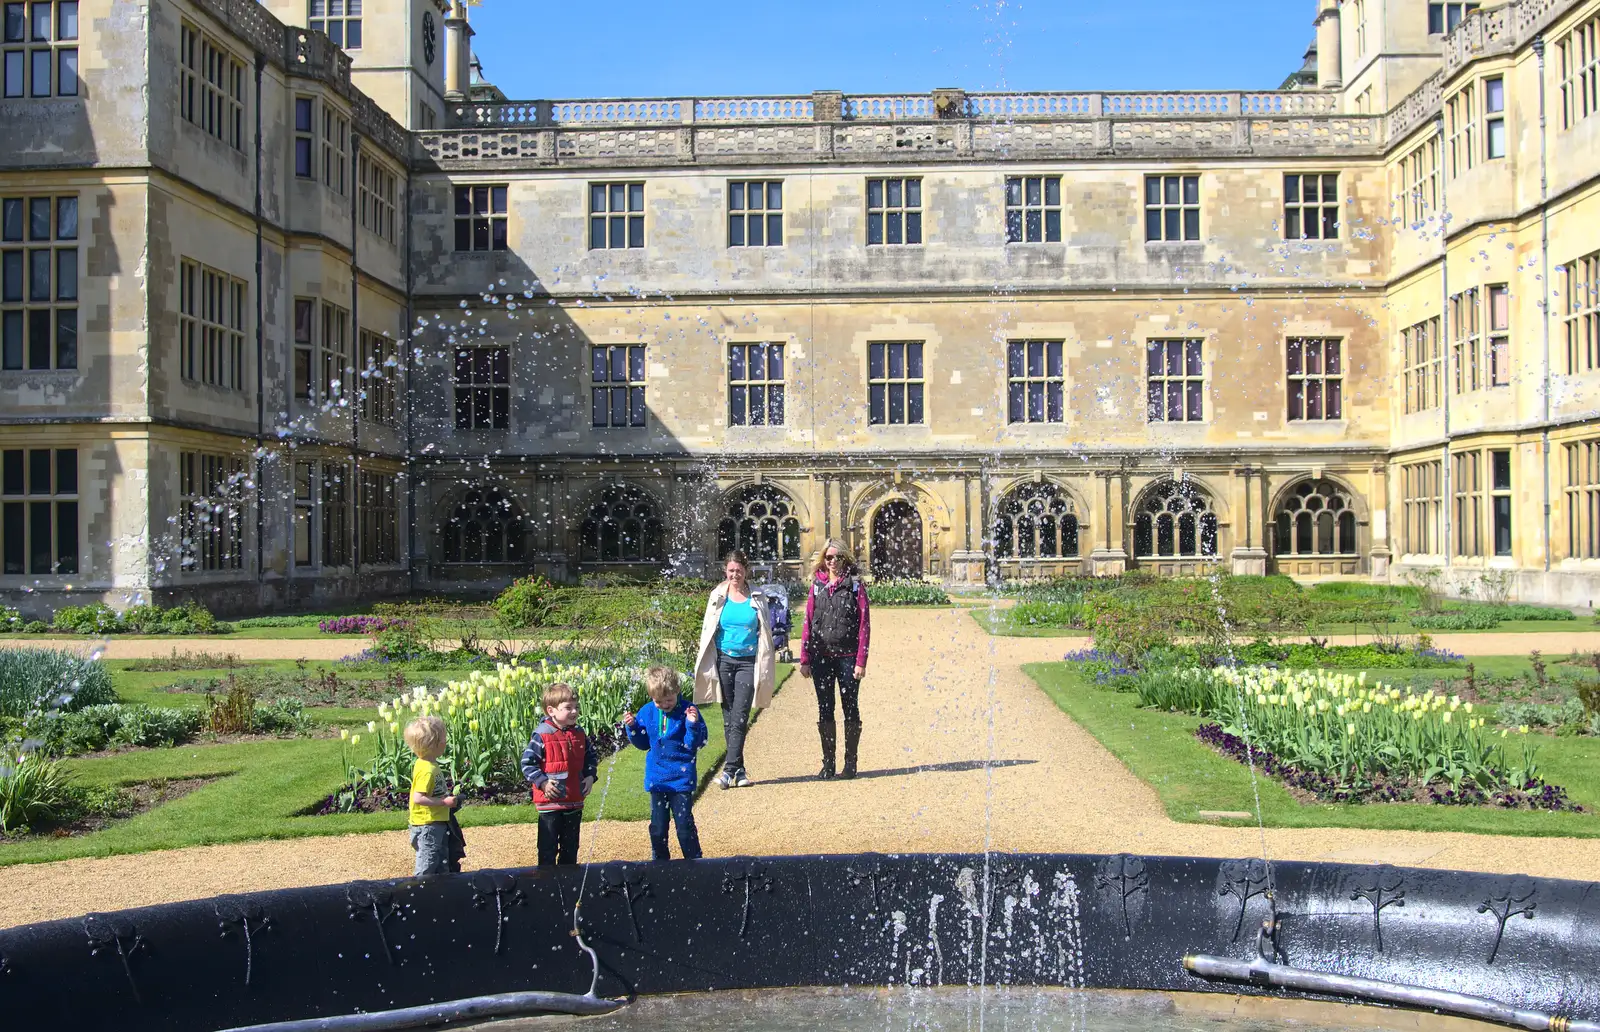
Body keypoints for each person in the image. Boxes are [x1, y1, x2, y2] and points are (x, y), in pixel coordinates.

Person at [693, 549, 777, 789]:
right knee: (729, 717)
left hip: (748, 662)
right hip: (724, 661)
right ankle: (739, 770)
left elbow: (766, 632)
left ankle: (728, 770)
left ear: (746, 571)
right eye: (731, 570)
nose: (735, 574)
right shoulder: (717, 595)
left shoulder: (757, 596)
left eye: (739, 570)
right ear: (725, 571)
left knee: (740, 716)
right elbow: (708, 629)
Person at [799, 539, 871, 780]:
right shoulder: (817, 586)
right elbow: (808, 622)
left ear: (844, 559)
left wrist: (861, 661)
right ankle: (828, 763)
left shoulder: (855, 586)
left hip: (848, 657)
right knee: (825, 709)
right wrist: (805, 658)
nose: (831, 561)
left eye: (835, 557)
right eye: (827, 557)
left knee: (850, 708)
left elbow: (864, 626)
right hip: (821, 658)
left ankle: (850, 763)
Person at [622, 666, 708, 861]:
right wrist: (633, 727)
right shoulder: (647, 711)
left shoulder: (688, 711)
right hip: (657, 779)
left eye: (668, 699)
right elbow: (643, 744)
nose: (664, 704)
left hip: (681, 779)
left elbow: (696, 743)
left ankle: (695, 861)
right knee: (658, 827)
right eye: (658, 701)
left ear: (677, 690)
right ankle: (660, 863)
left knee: (684, 825)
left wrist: (692, 725)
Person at [520, 682, 598, 866]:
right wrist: (543, 783)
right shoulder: (542, 735)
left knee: (570, 847)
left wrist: (590, 776)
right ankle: (547, 885)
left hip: (574, 800)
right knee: (547, 848)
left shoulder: (579, 733)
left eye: (576, 707)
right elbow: (527, 764)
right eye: (568, 708)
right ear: (551, 710)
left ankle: (569, 884)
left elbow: (591, 757)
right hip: (550, 803)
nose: (574, 712)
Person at [405, 715, 460, 877]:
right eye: (443, 738)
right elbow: (418, 798)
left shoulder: (428, 764)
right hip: (427, 825)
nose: (446, 741)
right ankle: (418, 890)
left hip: (435, 821)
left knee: (441, 860)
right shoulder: (427, 770)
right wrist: (444, 802)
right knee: (427, 863)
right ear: (435, 744)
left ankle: (441, 889)